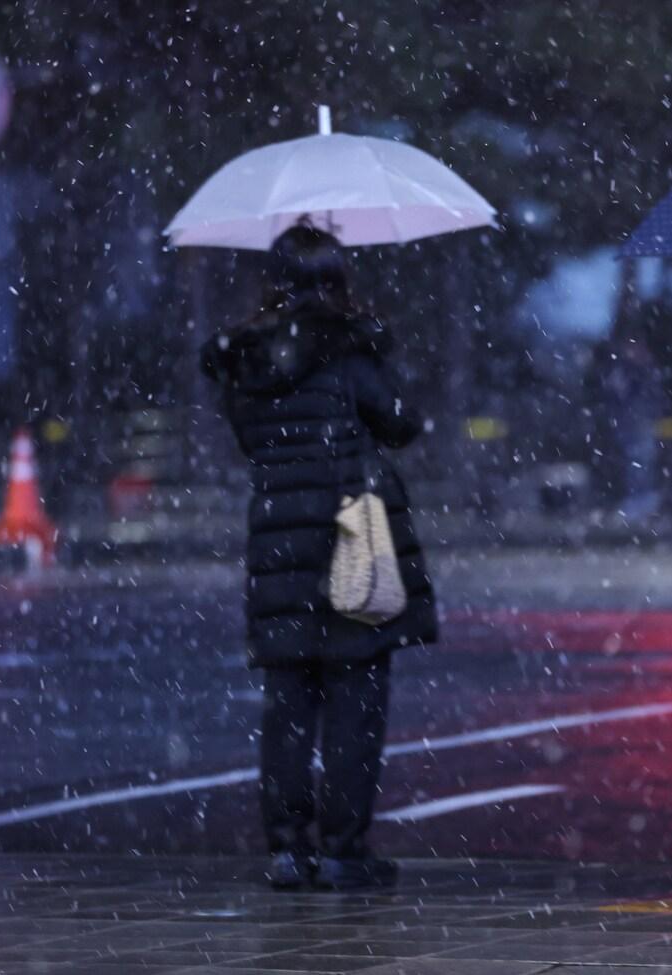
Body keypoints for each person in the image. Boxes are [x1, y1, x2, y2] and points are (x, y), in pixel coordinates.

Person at [202, 226, 437, 890]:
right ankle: (343, 848)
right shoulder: (350, 348)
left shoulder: (248, 356)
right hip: (350, 535)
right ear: (336, 276)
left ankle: (286, 846)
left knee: (287, 703)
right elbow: (402, 420)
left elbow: (251, 439)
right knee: (354, 701)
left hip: (278, 537)